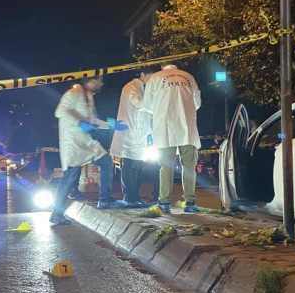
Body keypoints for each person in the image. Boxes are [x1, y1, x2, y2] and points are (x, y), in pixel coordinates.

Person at [50, 76, 128, 226]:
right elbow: (60, 111)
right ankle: (56, 214)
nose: (102, 83)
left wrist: (113, 125)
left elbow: (93, 121)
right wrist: (80, 121)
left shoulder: (89, 97)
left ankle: (105, 200)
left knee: (106, 161)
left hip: (85, 141)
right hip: (72, 141)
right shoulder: (75, 91)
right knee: (70, 177)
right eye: (100, 80)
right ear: (91, 80)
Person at [142, 64, 202, 213]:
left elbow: (148, 105)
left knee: (166, 166)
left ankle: (164, 202)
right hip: (187, 128)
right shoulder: (188, 77)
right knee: (188, 166)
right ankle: (190, 202)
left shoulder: (155, 78)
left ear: (162, 65)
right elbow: (197, 103)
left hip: (164, 128)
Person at [110, 69, 156, 207]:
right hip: (130, 135)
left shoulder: (141, 88)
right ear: (143, 74)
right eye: (151, 76)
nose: (153, 80)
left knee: (136, 167)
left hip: (138, 136)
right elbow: (139, 104)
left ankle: (134, 197)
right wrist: (158, 104)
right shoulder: (131, 87)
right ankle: (130, 198)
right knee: (130, 167)